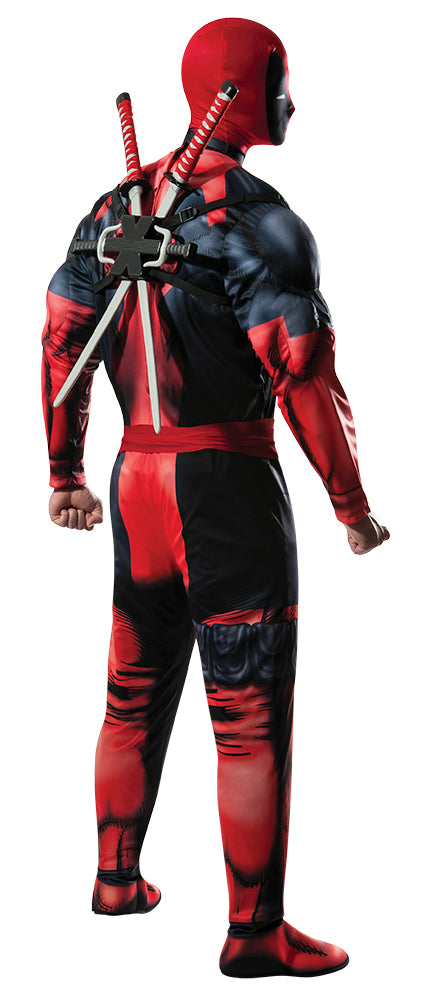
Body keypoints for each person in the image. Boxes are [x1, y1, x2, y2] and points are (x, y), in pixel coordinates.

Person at [42, 17, 389, 978]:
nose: (290, 102)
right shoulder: (257, 218)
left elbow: (61, 338)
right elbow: (302, 371)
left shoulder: (109, 210)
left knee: (130, 693)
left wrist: (65, 471)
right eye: (281, 81)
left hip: (137, 479)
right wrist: (350, 503)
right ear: (246, 89)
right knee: (247, 718)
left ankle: (116, 879)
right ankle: (254, 934)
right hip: (226, 486)